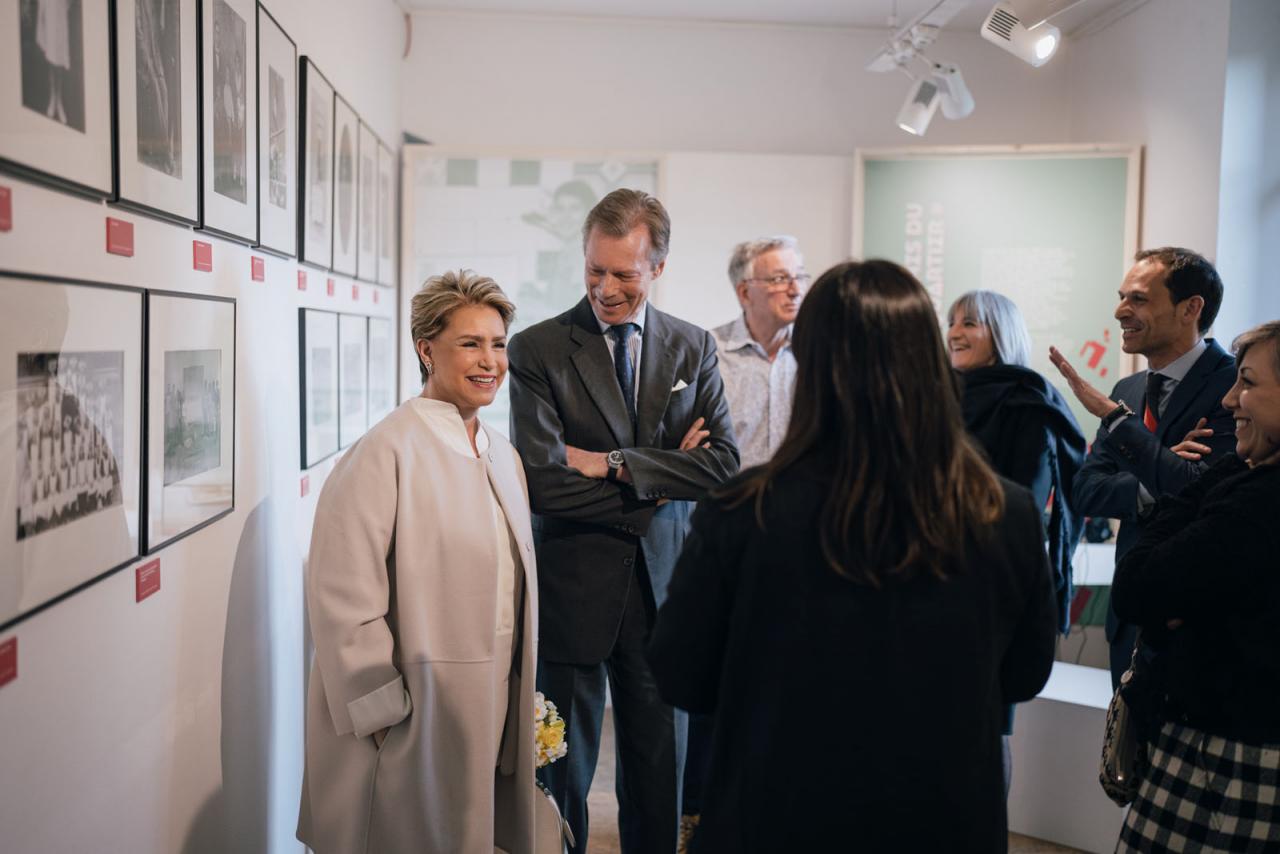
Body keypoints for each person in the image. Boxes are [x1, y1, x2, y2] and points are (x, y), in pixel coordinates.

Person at [648, 260, 1058, 853]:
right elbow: (1025, 672)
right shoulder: (1005, 511)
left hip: (778, 812)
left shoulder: (743, 511)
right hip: (944, 818)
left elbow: (681, 672)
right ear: (928, 360)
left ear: (810, 363)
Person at [507, 188, 740, 853]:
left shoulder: (692, 348)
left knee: (658, 771)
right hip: (573, 587)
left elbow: (724, 466)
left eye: (623, 275)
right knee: (562, 774)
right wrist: (666, 478)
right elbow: (545, 482)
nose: (605, 288)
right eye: (594, 270)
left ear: (657, 268)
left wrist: (613, 464)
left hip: (664, 592)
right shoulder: (537, 349)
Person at [298, 270, 540, 854]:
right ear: (426, 349)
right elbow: (342, 596)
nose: (490, 361)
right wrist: (382, 713)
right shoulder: (386, 451)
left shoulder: (502, 454)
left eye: (499, 344)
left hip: (484, 707)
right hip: (407, 719)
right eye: (470, 343)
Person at [1111, 320, 1280, 852]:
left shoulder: (1258, 499)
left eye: (1248, 382)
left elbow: (1140, 586)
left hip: (1229, 757)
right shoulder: (1240, 476)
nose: (1231, 399)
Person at [1049, 247, 1235, 688]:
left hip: (1194, 624)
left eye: (1138, 299)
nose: (1120, 311)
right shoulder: (1128, 389)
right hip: (1128, 619)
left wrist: (1120, 426)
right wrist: (1162, 471)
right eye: (1121, 296)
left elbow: (1204, 491)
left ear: (1191, 308)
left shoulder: (1233, 384)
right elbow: (1086, 490)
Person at [679, 235, 807, 847]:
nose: (793, 288)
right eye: (779, 279)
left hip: (806, 549)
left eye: (797, 277)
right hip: (729, 541)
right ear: (744, 290)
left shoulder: (817, 356)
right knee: (715, 687)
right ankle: (695, 815)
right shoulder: (709, 353)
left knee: (788, 685)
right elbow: (692, 447)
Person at [948, 289, 1087, 798]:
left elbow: (1022, 500)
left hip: (987, 588)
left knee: (987, 724)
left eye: (972, 324)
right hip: (924, 581)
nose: (956, 333)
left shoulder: (1026, 398)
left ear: (1001, 333)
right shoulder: (935, 394)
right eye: (953, 322)